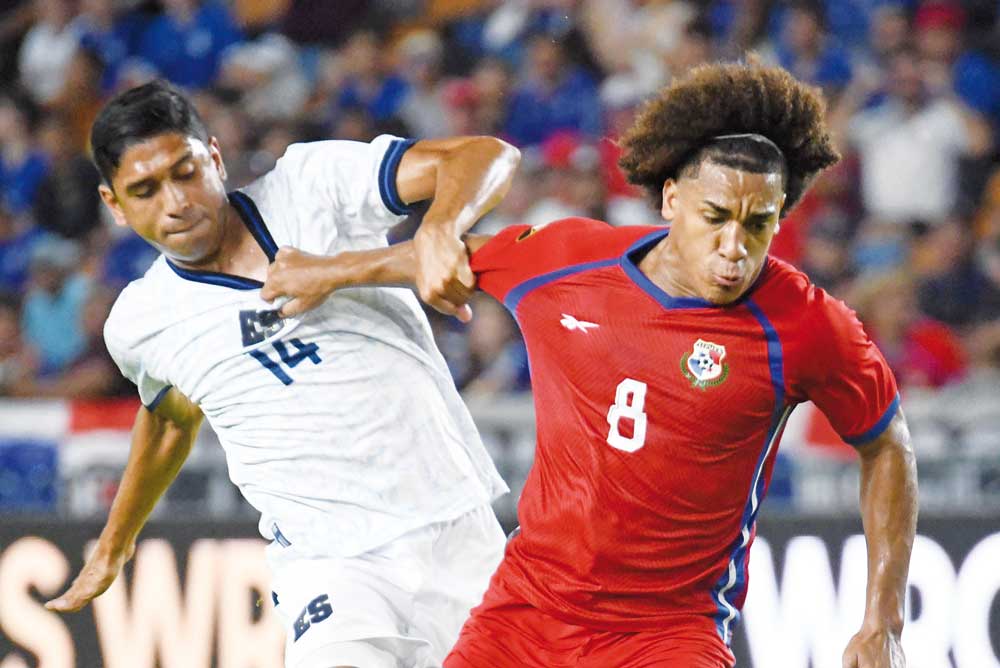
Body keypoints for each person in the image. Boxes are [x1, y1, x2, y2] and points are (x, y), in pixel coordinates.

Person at [263, 62, 918, 668]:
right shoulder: (569, 259)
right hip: (527, 610)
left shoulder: (808, 324)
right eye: (715, 217)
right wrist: (330, 271)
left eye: (758, 225)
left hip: (668, 633)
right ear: (670, 202)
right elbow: (449, 257)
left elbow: (887, 446)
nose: (733, 246)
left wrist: (882, 620)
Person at [45, 80, 521, 668]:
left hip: (455, 524)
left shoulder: (311, 185)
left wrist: (439, 231)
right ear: (114, 205)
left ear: (215, 158)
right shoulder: (141, 324)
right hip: (331, 567)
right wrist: (115, 545)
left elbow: (485, 156)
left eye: (185, 171)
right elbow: (171, 417)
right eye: (144, 191)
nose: (175, 202)